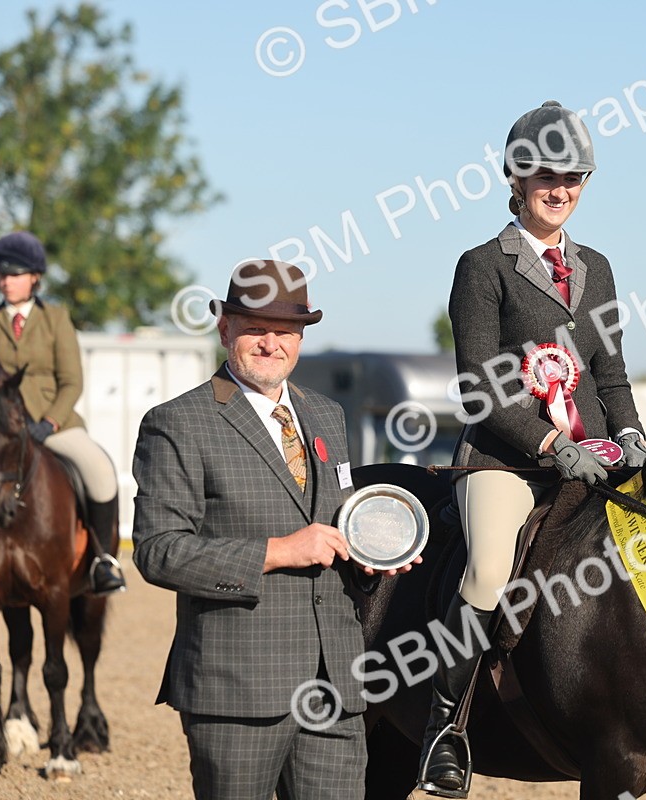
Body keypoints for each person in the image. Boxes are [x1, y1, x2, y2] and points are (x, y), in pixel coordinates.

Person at [415, 100, 646, 797]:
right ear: (516, 179)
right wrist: (549, 443)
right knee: (488, 572)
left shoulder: (597, 267)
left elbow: (610, 372)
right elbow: (478, 387)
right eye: (546, 175)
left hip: (597, 455)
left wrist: (631, 435)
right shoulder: (483, 265)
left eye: (573, 177)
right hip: (507, 459)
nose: (560, 188)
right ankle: (445, 728)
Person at [131, 260, 415, 799]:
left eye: (285, 331)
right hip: (237, 689)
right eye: (256, 329)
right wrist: (280, 551)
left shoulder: (327, 415)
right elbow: (158, 551)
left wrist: (372, 552)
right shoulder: (177, 423)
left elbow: (336, 521)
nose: (271, 343)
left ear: (301, 339)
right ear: (225, 330)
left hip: (335, 686)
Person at [0, 231, 124, 594]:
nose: (5, 281)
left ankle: (103, 560)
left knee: (99, 470)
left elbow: (72, 381)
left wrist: (50, 422)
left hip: (54, 423)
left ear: (35, 277)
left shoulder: (56, 319)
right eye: (1, 274)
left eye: (14, 274)